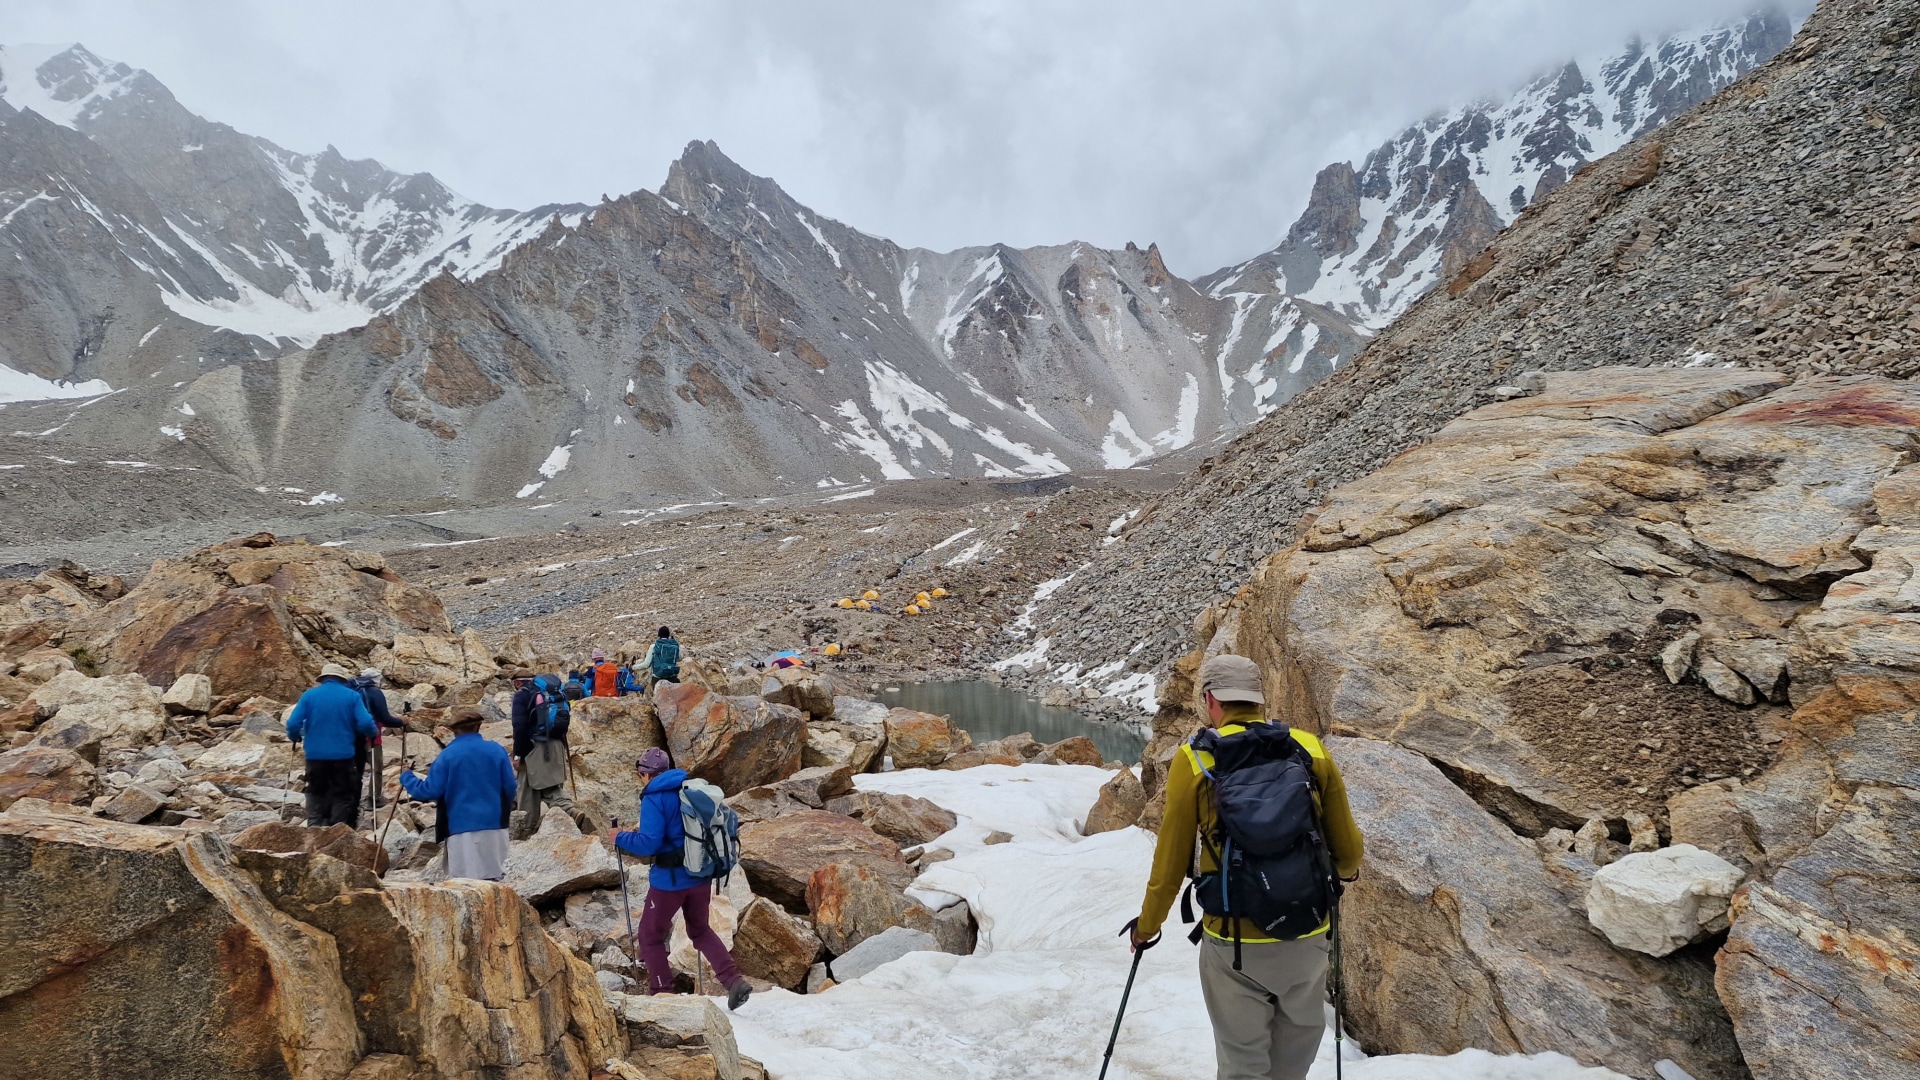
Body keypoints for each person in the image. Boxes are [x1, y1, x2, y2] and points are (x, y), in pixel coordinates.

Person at [1129, 654, 1364, 1080]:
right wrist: (1344, 874)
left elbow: (1170, 861)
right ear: (1258, 698)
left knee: (1242, 1063)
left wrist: (1148, 926)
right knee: (1292, 1061)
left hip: (1234, 937)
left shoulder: (1196, 759)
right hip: (1308, 929)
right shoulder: (1308, 748)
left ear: (1210, 699)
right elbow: (1347, 849)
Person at [610, 747, 751, 1010]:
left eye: (641, 774)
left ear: (647, 774)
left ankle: (663, 995)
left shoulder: (654, 797)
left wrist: (619, 837)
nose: (641, 778)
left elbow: (649, 844)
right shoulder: (689, 788)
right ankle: (734, 981)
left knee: (650, 936)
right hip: (700, 874)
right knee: (700, 930)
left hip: (670, 881)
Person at [400, 708, 517, 881]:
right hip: (495, 824)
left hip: (460, 827)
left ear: (453, 730)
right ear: (478, 727)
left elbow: (429, 791)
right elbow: (510, 787)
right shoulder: (496, 750)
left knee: (465, 883)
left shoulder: (447, 755)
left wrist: (407, 777)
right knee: (495, 879)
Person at [286, 663, 378, 827]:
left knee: (316, 792)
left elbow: (293, 724)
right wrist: (372, 733)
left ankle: (315, 827)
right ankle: (336, 830)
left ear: (322, 679)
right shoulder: (352, 696)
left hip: (315, 756)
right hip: (343, 755)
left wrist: (295, 736)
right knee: (342, 794)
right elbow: (365, 723)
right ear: (341, 679)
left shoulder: (309, 696)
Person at [511, 671, 573, 831]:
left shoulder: (522, 695)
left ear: (517, 683)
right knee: (552, 786)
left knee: (527, 791)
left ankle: (526, 830)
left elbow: (520, 728)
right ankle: (570, 814)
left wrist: (518, 755)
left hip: (536, 748)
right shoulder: (555, 693)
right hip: (557, 746)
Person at [351, 668, 406, 810]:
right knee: (376, 768)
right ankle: (374, 798)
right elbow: (385, 718)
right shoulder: (375, 693)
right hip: (372, 738)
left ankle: (351, 800)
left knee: (354, 770)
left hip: (351, 738)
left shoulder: (352, 691)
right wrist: (401, 722)